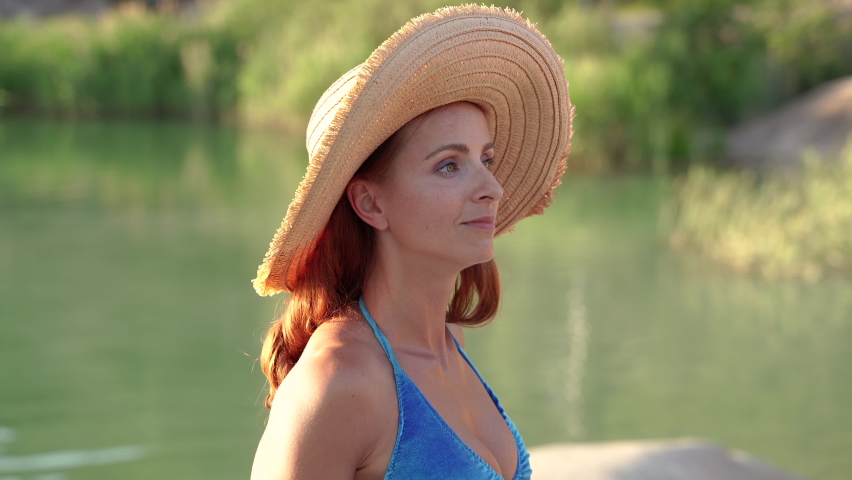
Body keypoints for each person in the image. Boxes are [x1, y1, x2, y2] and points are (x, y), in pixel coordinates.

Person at [249, 5, 573, 480]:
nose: (493, 188)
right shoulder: (337, 383)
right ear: (370, 204)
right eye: (449, 165)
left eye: (487, 158)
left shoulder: (448, 341)